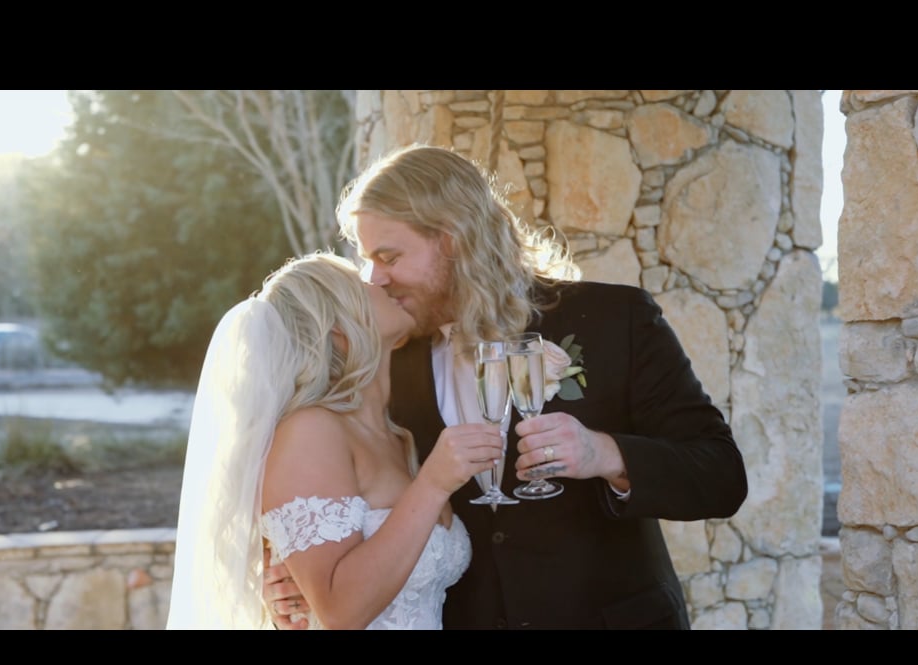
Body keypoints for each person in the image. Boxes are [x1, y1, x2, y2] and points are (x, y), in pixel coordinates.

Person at [264, 144, 748, 630]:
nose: (377, 278)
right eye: (368, 260)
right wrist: (297, 576)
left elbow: (721, 477)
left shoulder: (615, 321)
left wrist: (603, 454)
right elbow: (337, 502)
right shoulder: (390, 359)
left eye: (389, 256)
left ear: (452, 239)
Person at [166, 251, 502, 630]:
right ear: (339, 327)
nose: (379, 282)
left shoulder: (398, 435)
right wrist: (434, 483)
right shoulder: (309, 432)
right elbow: (340, 612)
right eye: (362, 284)